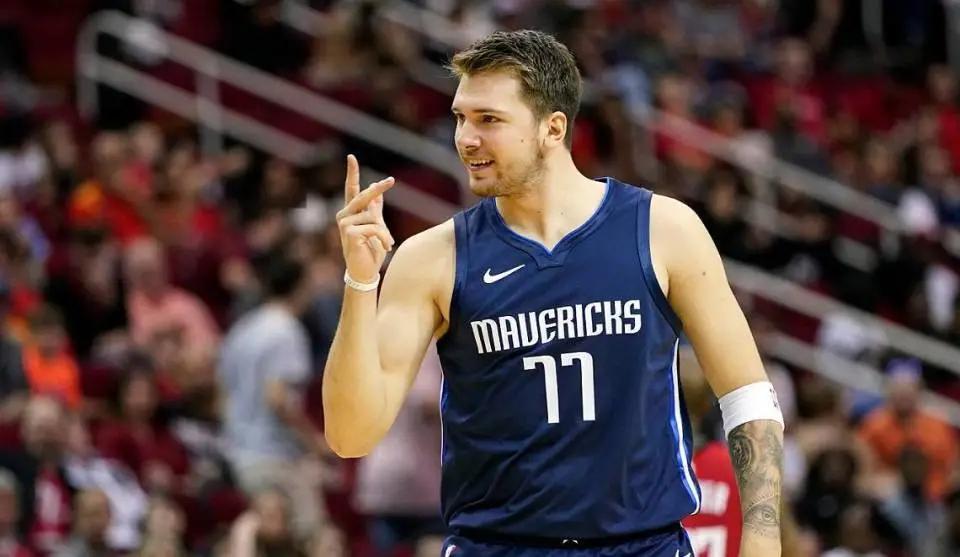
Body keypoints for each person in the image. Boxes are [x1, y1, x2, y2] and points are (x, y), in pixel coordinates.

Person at [323, 30, 784, 557]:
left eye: (488, 120)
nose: (465, 138)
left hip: (643, 545)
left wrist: (762, 538)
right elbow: (350, 435)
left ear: (553, 128)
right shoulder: (432, 257)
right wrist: (360, 280)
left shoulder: (664, 229)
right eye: (460, 118)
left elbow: (748, 395)